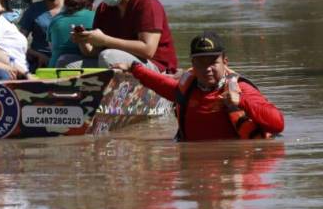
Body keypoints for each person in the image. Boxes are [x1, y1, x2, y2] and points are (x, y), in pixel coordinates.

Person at [111, 31, 284, 141]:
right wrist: (133, 68)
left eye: (213, 63)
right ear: (193, 64)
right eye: (201, 63)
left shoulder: (241, 90)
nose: (207, 69)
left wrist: (242, 102)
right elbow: (161, 84)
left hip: (232, 169)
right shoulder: (186, 89)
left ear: (225, 62)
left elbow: (278, 124)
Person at [72, 0, 177, 72]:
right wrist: (83, 41)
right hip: (116, 61)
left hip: (154, 66)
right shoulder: (104, 8)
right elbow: (93, 52)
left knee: (107, 56)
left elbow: (148, 50)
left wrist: (105, 40)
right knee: (67, 63)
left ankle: (114, 88)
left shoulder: (147, 3)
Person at [18, 0, 69, 72]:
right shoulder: (33, 9)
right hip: (38, 61)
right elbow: (18, 42)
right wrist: (36, 55)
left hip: (66, 61)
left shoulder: (72, 9)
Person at [47, 0, 94, 67]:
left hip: (53, 68)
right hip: (83, 71)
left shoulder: (55, 20)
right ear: (91, 4)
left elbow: (53, 48)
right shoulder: (95, 16)